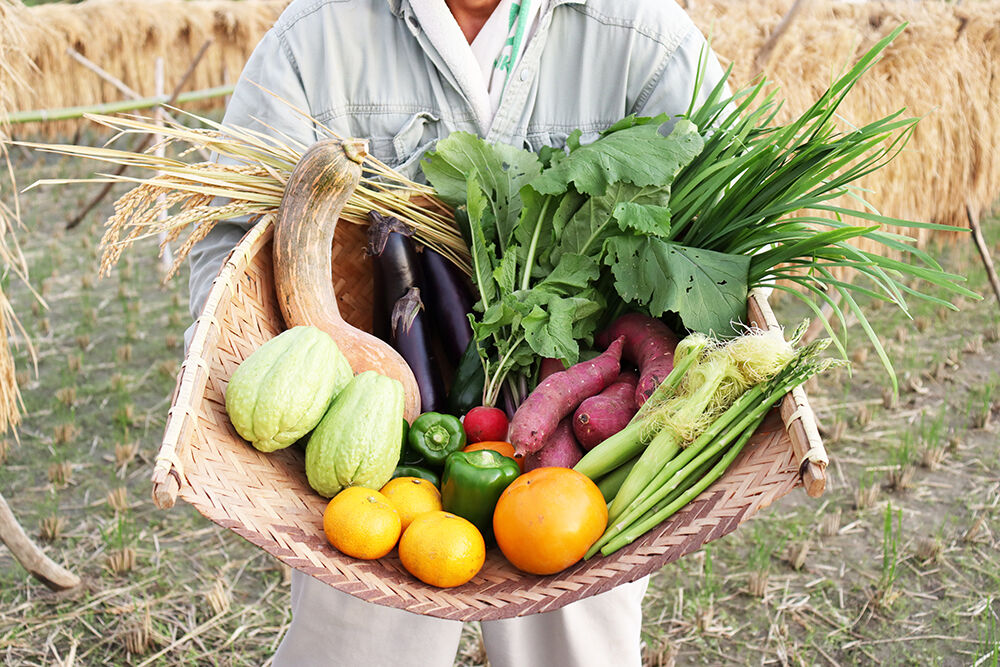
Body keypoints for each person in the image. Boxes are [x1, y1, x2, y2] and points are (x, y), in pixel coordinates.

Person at [187, 1, 727, 665]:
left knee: (577, 646)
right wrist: (273, 392)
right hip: (374, 450)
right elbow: (233, 240)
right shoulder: (320, 33)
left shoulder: (644, 35)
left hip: (580, 467)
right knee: (356, 647)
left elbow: (722, 226)